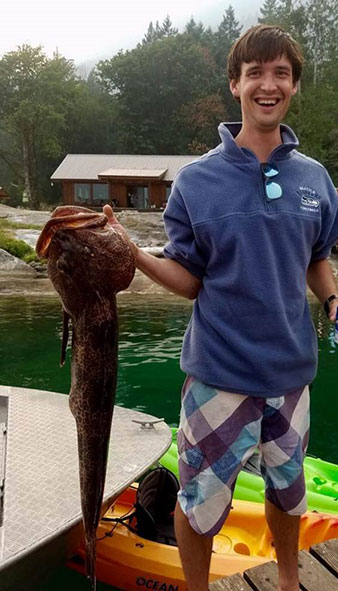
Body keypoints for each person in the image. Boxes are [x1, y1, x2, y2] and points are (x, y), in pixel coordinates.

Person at [104, 24, 338, 591]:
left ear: (294, 87)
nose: (268, 84)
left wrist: (332, 299)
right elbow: (189, 279)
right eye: (255, 72)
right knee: (199, 502)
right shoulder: (197, 182)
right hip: (219, 377)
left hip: (291, 376)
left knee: (288, 494)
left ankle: (287, 581)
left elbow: (316, 257)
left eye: (280, 73)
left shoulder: (316, 181)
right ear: (235, 85)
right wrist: (133, 254)